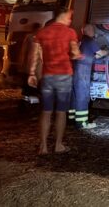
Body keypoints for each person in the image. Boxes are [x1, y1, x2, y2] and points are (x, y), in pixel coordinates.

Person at [28, 9, 81, 155]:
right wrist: (77, 54)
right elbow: (75, 54)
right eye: (69, 17)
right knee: (61, 112)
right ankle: (58, 145)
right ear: (63, 17)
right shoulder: (70, 32)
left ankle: (43, 147)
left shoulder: (42, 33)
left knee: (46, 111)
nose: (70, 21)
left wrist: (32, 73)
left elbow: (35, 57)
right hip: (64, 75)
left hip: (48, 76)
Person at [69, 24, 104, 129]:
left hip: (74, 71)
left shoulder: (80, 41)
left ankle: (72, 119)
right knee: (82, 97)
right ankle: (82, 123)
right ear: (91, 31)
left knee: (74, 97)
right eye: (93, 30)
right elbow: (100, 53)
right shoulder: (90, 41)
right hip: (82, 72)